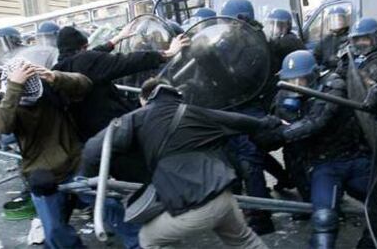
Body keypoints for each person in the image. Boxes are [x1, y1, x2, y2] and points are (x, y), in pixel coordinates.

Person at [83, 77, 284, 249]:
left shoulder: (135, 118)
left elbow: (92, 151)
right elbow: (238, 120)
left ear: (144, 99)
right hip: (224, 198)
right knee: (245, 241)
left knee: (147, 239)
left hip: (195, 207)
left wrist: (94, 180)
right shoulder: (194, 112)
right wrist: (268, 122)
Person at [0, 57, 92, 248]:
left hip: (74, 158)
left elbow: (84, 84)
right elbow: (3, 125)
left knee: (110, 205)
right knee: (54, 230)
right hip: (41, 170)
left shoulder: (42, 81)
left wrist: (55, 77)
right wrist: (14, 89)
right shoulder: (0, 95)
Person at [275, 50, 372, 248]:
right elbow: (281, 118)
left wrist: (282, 134)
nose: (295, 86)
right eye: (291, 81)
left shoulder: (333, 85)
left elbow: (317, 121)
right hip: (325, 165)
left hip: (355, 158)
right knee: (324, 220)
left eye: (300, 80)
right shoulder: (286, 92)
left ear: (312, 75)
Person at [53, 25, 189, 142]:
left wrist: (115, 40)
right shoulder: (86, 61)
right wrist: (167, 53)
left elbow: (92, 56)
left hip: (88, 134)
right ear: (83, 47)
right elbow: (126, 61)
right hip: (113, 128)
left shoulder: (58, 69)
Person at [221, 0, 288, 234]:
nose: (227, 26)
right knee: (244, 158)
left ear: (240, 20)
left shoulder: (253, 43)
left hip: (248, 105)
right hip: (235, 105)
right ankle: (261, 202)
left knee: (250, 161)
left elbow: (240, 76)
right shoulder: (237, 38)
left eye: (231, 21)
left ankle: (261, 218)